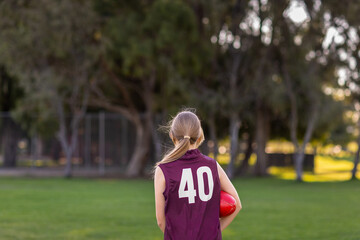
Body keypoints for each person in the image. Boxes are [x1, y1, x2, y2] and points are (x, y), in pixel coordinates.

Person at [154, 110, 242, 240]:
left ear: (172, 135)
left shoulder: (163, 169)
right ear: (200, 136)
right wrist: (214, 231)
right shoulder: (213, 166)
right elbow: (237, 205)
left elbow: (161, 221)